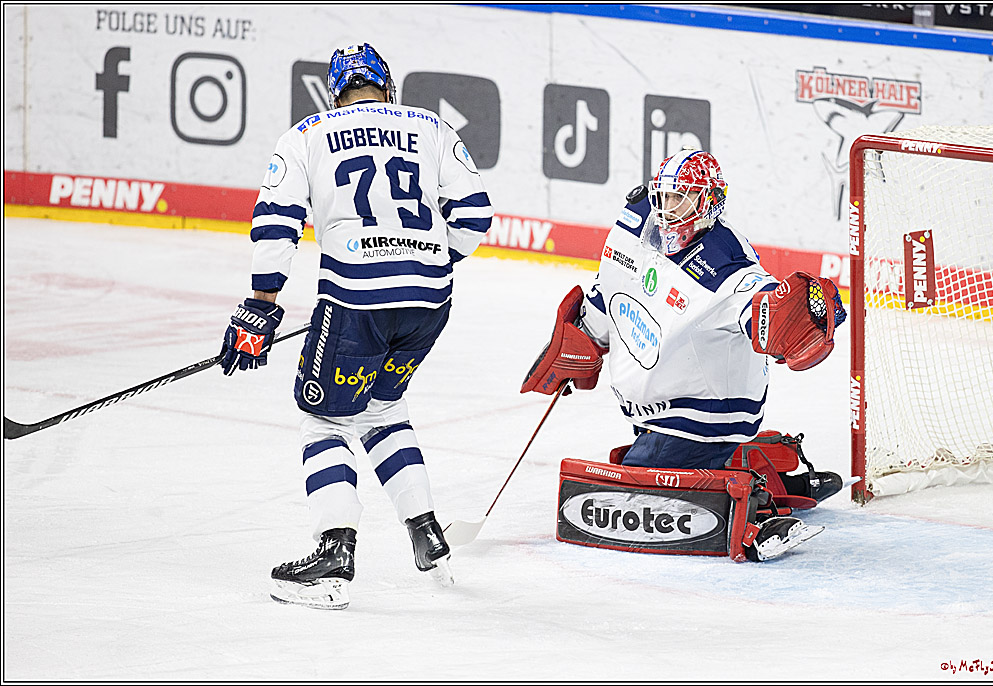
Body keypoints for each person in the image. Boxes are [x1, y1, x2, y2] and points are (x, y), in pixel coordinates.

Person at [219, 43, 493, 609]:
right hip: (428, 302)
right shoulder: (431, 126)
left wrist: (261, 304)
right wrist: (425, 263)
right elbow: (475, 217)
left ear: (334, 91)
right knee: (383, 411)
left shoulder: (305, 135)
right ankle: (426, 532)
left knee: (323, 422)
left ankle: (333, 556)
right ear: (388, 88)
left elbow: (277, 220)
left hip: (355, 304)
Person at [522, 148, 846, 561]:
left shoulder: (726, 263)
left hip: (702, 421)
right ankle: (764, 474)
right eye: (664, 196)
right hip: (653, 414)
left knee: (629, 493)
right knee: (637, 470)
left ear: (710, 202)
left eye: (682, 198)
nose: (667, 209)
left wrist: (796, 317)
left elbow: (760, 305)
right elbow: (612, 284)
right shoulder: (635, 220)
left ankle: (754, 506)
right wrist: (584, 336)